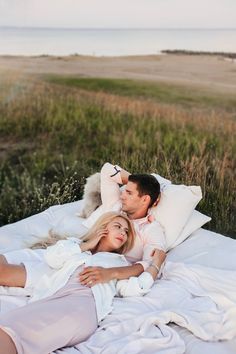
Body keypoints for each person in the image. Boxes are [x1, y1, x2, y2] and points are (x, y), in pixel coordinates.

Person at [0, 211, 165, 354]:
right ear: (103, 227)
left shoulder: (119, 263)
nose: (123, 232)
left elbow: (135, 288)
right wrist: (86, 245)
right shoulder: (74, 246)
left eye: (126, 231)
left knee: (14, 336)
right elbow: (52, 257)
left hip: (79, 308)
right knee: (7, 324)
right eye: (118, 226)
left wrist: (154, 265)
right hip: (52, 300)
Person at [78, 162, 168, 287]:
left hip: (110, 272)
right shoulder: (115, 205)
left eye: (129, 193)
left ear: (145, 199)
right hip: (82, 258)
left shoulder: (151, 229)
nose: (122, 195)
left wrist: (111, 273)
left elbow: (150, 264)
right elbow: (107, 170)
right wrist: (137, 181)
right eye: (124, 190)